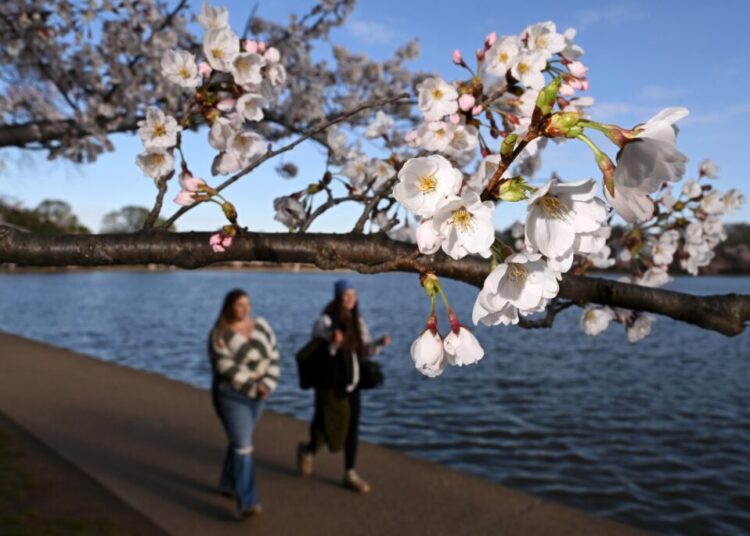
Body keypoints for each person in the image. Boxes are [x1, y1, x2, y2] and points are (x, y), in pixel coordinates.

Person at [296, 278, 390, 493]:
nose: (351, 300)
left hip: (353, 382)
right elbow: (320, 350)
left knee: (352, 427)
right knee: (324, 425)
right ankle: (308, 450)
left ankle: (350, 472)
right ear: (338, 297)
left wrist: (379, 344)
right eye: (346, 295)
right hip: (331, 382)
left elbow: (364, 349)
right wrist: (334, 341)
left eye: (354, 296)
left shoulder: (358, 321)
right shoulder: (325, 320)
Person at [208, 289, 280, 518]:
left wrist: (267, 384)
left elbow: (274, 355)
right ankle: (247, 501)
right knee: (243, 446)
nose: (245, 308)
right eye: (240, 304)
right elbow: (225, 368)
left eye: (247, 304)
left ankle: (227, 484)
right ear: (230, 307)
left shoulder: (261, 325)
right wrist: (255, 385)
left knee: (240, 440)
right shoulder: (219, 334)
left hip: (259, 397)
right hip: (230, 395)